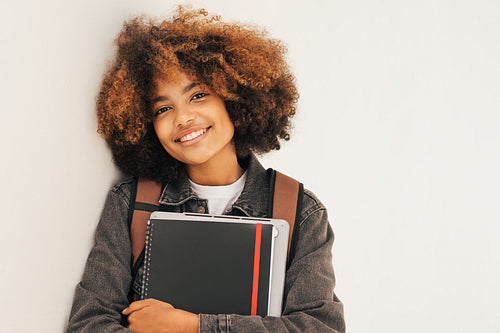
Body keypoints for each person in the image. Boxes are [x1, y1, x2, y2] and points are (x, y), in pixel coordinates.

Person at [67, 6, 345, 333]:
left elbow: (319, 327)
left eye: (198, 95)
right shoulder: (130, 202)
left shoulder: (300, 211)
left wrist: (192, 325)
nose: (183, 118)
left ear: (235, 98)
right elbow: (89, 323)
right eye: (163, 108)